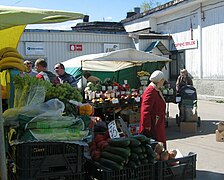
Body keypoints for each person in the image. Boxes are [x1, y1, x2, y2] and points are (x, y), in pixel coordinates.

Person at [138, 70, 167, 148]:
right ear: (159, 80)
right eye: (163, 79)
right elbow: (145, 110)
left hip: (157, 122)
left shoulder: (156, 89)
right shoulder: (150, 91)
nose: (164, 81)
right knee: (155, 147)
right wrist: (147, 126)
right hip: (153, 125)